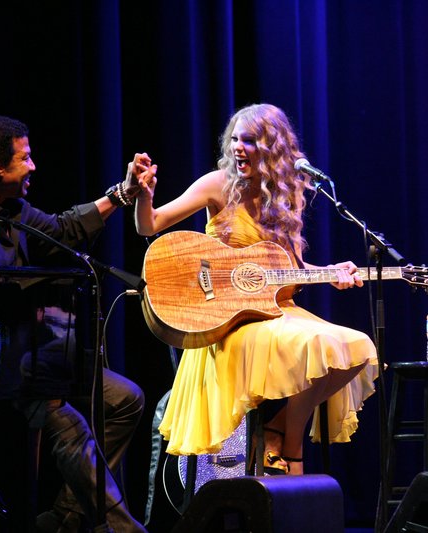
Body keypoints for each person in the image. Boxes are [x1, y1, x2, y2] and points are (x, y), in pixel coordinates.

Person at [0, 114, 148, 532]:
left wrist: (122, 194)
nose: (33, 166)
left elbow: (64, 229)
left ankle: (66, 518)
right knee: (67, 424)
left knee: (125, 399)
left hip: (39, 361)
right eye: (24, 158)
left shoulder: (14, 210)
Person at [131, 103, 379, 475]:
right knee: (316, 347)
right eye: (234, 139)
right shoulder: (218, 184)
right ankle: (289, 447)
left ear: (273, 148)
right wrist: (143, 195)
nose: (238, 148)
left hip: (274, 312)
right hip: (228, 323)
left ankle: (281, 432)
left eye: (248, 140)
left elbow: (291, 270)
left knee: (357, 348)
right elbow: (149, 225)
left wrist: (330, 272)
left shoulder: (286, 197)